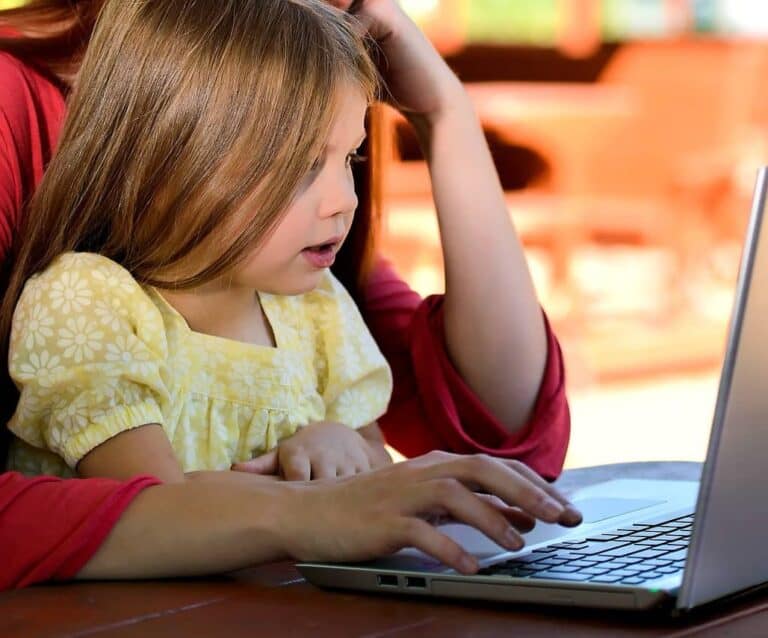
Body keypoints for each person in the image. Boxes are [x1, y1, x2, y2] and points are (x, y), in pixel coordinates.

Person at [0, 0, 583, 591]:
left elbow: (505, 444)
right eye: (301, 163)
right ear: (171, 151)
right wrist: (310, 507)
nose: (345, 200)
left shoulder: (303, 294)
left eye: (351, 158)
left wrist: (444, 110)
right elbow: (143, 508)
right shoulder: (90, 300)